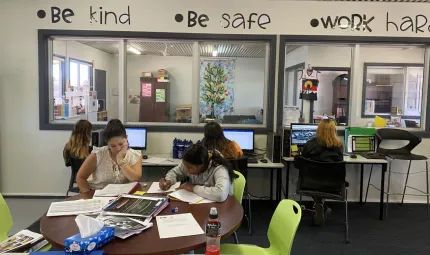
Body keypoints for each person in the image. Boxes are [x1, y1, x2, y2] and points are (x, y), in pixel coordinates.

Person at [76, 119, 142, 192]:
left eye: (121, 144)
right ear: (107, 142)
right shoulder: (98, 154)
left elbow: (135, 178)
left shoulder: (135, 155)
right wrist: (87, 196)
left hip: (120, 196)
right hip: (97, 195)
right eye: (113, 146)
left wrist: (120, 161)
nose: (118, 148)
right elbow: (80, 178)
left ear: (126, 138)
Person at [159, 144, 238, 202]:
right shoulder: (189, 163)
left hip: (222, 207)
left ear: (201, 165)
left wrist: (193, 187)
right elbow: (175, 172)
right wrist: (169, 181)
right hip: (200, 203)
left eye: (190, 168)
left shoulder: (219, 168)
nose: (187, 170)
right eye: (185, 166)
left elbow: (220, 194)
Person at [301, 119, 343, 226]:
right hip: (333, 185)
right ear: (334, 130)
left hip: (310, 184)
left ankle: (318, 202)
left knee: (314, 179)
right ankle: (320, 204)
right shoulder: (339, 146)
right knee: (325, 179)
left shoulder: (310, 144)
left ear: (319, 130)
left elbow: (300, 163)